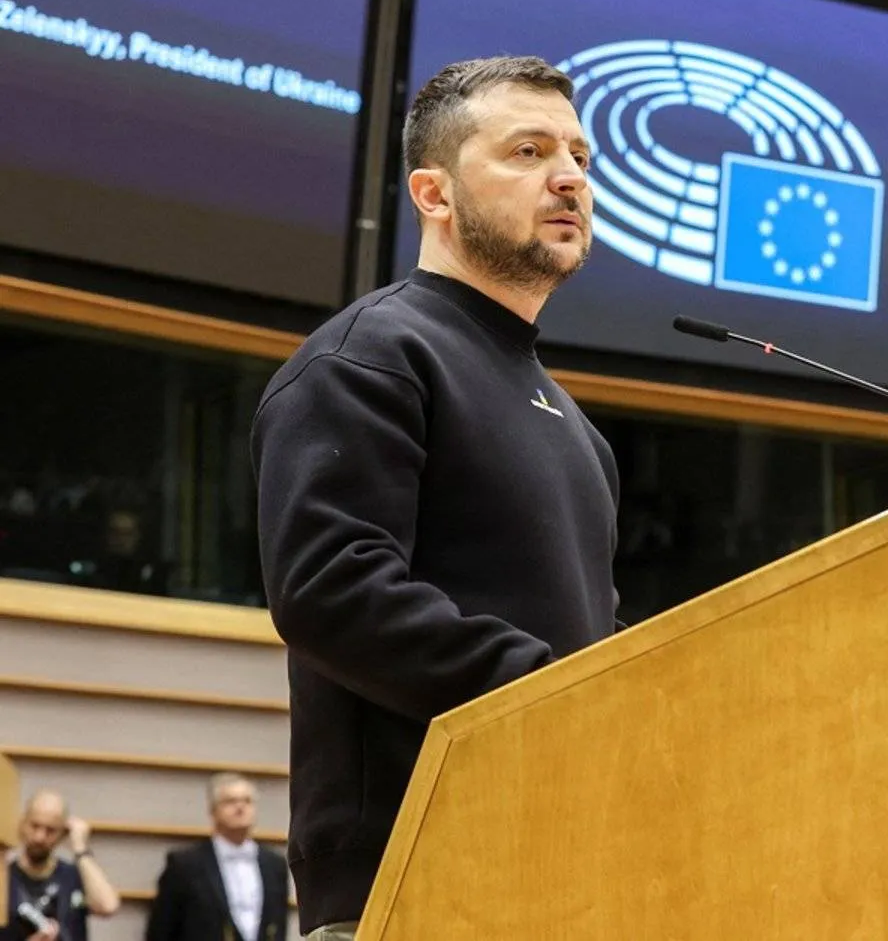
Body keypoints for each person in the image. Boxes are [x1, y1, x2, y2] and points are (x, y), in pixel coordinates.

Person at [251, 55, 621, 941]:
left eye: (579, 156)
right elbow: (333, 591)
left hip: (564, 874)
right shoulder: (371, 357)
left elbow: (593, 638)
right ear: (434, 193)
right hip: (407, 880)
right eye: (529, 151)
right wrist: (555, 691)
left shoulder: (580, 430)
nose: (569, 177)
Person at [145, 773, 290, 941]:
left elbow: (279, 925)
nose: (240, 807)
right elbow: (160, 930)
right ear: (213, 811)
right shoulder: (184, 865)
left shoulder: (275, 865)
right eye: (230, 801)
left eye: (247, 801)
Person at [2, 791, 120, 941]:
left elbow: (108, 906)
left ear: (63, 833)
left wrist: (80, 848)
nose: (40, 837)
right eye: (34, 826)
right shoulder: (4, 877)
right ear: (22, 825)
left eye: (50, 830)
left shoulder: (73, 876)